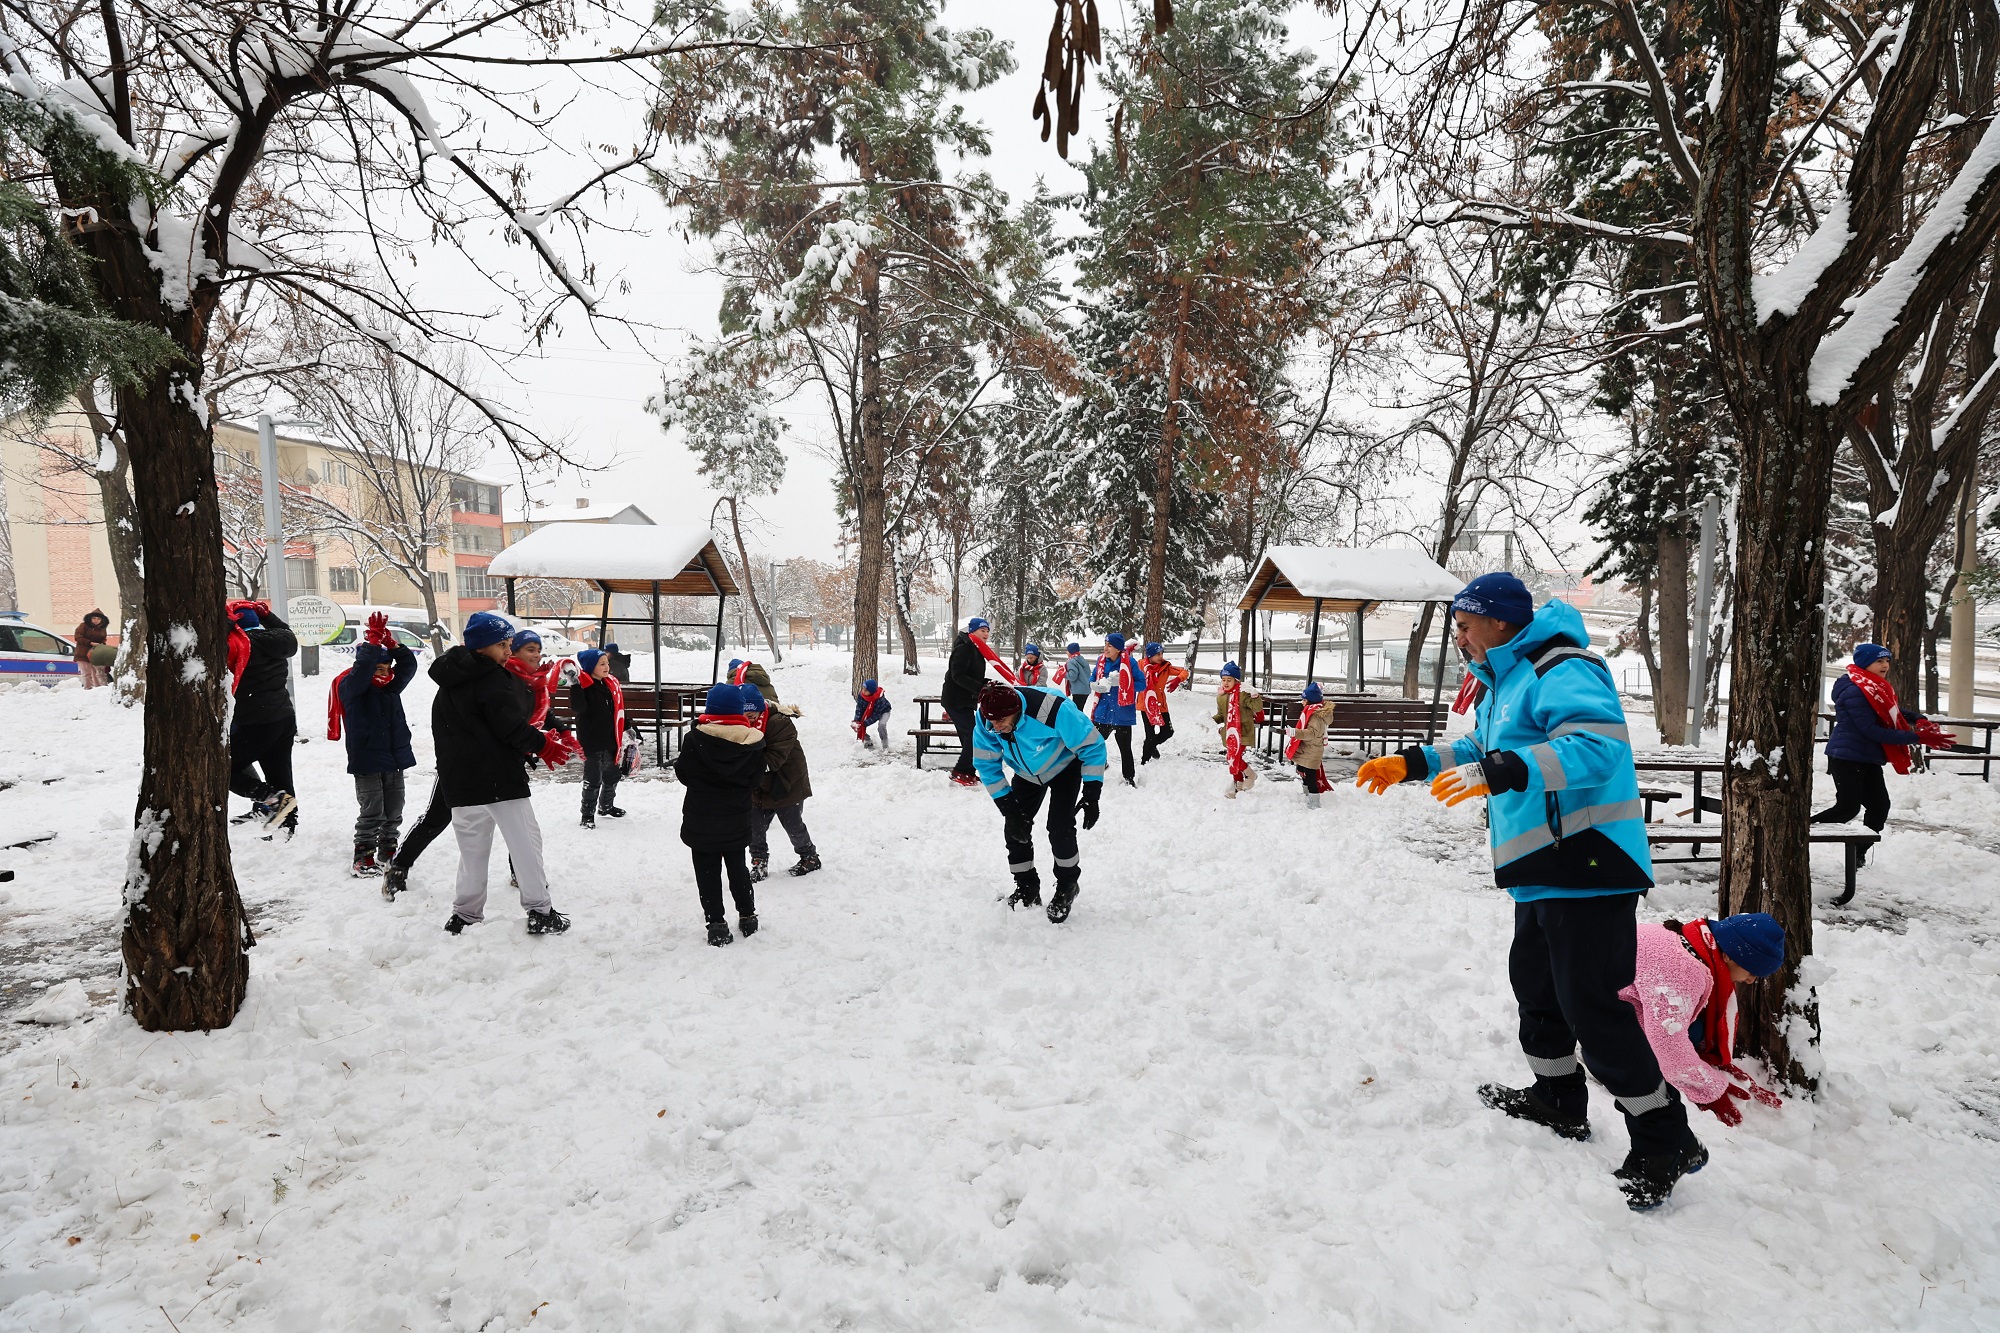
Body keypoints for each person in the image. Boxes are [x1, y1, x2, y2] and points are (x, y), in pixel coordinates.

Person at [1354, 571, 1701, 1211]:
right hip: (1543, 865)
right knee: (1537, 990)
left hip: (1590, 862)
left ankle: (1664, 1137)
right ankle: (1558, 1098)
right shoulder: (1505, 682)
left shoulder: (1563, 667)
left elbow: (1596, 749)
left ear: (1499, 621)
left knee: (1592, 1007)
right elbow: (1482, 747)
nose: (1460, 637)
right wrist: (1413, 762)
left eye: (1465, 625)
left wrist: (1503, 769)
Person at [432, 610, 580, 936]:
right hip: (499, 778)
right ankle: (540, 911)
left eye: (510, 644)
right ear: (481, 646)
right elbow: (509, 726)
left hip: (461, 781)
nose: (508, 651)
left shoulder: (449, 681)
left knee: (472, 851)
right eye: (502, 645)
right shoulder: (492, 678)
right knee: (526, 843)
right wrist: (543, 745)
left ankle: (465, 914)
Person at [1622, 913, 1788, 1126]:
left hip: (1603, 991)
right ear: (1729, 956)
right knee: (1679, 1038)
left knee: (1695, 1029)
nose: (1751, 980)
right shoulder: (1681, 971)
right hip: (1596, 1015)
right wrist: (1709, 1089)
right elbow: (1667, 1043)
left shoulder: (1686, 940)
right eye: (1752, 971)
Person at [971, 680, 1107, 923]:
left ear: (1016, 710)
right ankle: (1027, 887)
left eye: (1001, 721)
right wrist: (1008, 808)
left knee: (1060, 828)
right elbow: (986, 763)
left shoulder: (1053, 709)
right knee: (1015, 828)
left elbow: (1092, 746)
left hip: (1065, 767)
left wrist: (1092, 793)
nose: (996, 727)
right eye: (992, 721)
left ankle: (1067, 885)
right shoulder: (987, 719)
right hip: (1026, 774)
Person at [1812, 643, 1951, 854]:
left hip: (1867, 757)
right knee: (1847, 808)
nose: (1885, 665)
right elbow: (1871, 730)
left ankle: (1858, 854)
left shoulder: (1872, 686)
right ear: (1865, 663)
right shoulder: (1855, 690)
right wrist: (1917, 737)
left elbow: (1889, 710)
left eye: (1887, 660)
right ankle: (1798, 833)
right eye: (1879, 661)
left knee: (1879, 807)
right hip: (1847, 756)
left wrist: (1917, 718)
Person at [673, 681, 767, 946]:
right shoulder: (752, 742)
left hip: (701, 819)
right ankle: (748, 916)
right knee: (738, 868)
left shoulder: (695, 739)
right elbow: (756, 779)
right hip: (736, 818)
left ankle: (716, 924)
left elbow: (683, 773)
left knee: (707, 873)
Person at [329, 614, 418, 876]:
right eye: (378, 669)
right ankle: (363, 854)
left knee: (394, 808)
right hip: (367, 759)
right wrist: (372, 643)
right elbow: (361, 672)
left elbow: (408, 666)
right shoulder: (352, 687)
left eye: (387, 668)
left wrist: (392, 645)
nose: (384, 673)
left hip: (394, 757)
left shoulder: (391, 688)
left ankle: (388, 849)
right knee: (372, 810)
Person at [225, 599, 300, 831]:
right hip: (283, 718)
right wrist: (268, 616)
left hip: (254, 721)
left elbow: (214, 647)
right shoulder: (280, 640)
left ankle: (269, 798)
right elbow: (287, 633)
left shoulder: (240, 646)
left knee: (224, 769)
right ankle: (286, 826)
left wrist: (226, 623)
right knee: (280, 775)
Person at [746, 683, 820, 880]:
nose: (748, 716)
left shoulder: (779, 723)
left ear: (760, 708)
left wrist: (741, 765)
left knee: (793, 825)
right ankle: (759, 862)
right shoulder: (741, 725)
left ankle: (809, 857)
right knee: (754, 825)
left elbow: (773, 760)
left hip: (786, 782)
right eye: (744, 712)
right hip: (759, 784)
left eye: (752, 712)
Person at [570, 647, 627, 828]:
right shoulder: (584, 687)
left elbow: (618, 708)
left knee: (612, 775)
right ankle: (587, 815)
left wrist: (628, 727)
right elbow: (578, 707)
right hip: (592, 741)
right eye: (601, 664)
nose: (606, 667)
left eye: (607, 663)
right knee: (593, 779)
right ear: (590, 667)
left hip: (610, 739)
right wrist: (575, 685)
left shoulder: (609, 684)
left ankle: (606, 806)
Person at [941, 617, 999, 788]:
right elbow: (957, 675)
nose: (986, 634)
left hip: (965, 700)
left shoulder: (976, 648)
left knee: (968, 736)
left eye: (987, 631)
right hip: (955, 700)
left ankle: (968, 772)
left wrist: (988, 683)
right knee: (974, 735)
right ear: (972, 631)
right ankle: (960, 771)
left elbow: (973, 675)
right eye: (982, 630)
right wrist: (980, 689)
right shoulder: (964, 648)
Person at [1091, 632, 1140, 786]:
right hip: (1103, 712)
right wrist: (1095, 685)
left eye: (1109, 645)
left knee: (1125, 749)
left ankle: (1129, 778)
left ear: (1118, 648)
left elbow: (1142, 684)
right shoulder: (1100, 661)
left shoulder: (1130, 663)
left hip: (1122, 714)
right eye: (1105, 644)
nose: (1105, 648)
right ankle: (1099, 766)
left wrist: (1124, 683)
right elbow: (1092, 678)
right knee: (1093, 743)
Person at [1213, 661, 1262, 798]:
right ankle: (1238, 787)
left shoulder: (1243, 694)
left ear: (1236, 680)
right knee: (1232, 758)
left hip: (1243, 732)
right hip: (1230, 733)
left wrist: (1255, 696)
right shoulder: (1221, 696)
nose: (1225, 683)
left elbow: (1257, 708)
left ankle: (1250, 775)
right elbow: (1222, 715)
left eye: (1229, 680)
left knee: (1233, 757)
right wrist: (1210, 720)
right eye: (1223, 680)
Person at [1138, 641, 1189, 764]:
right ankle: (1144, 761)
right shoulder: (1141, 665)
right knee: (1150, 735)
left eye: (1161, 654)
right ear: (1150, 656)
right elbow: (1127, 666)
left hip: (1161, 705)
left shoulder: (1166, 667)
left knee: (1168, 732)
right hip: (1146, 706)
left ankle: (1151, 745)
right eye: (1157, 654)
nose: (1161, 657)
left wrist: (1177, 680)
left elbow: (1184, 672)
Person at [1287, 681, 1333, 808]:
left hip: (1313, 750)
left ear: (1311, 701)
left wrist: (1295, 732)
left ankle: (1314, 800)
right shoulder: (1311, 711)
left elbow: (1312, 733)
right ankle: (1306, 794)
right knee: (1301, 770)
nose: (1302, 702)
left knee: (1310, 775)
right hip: (1307, 749)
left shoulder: (1316, 716)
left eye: (1304, 700)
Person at [72, 610, 110, 689]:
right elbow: (78, 637)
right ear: (90, 618)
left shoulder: (102, 628)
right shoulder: (84, 626)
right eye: (94, 618)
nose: (96, 620)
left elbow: (103, 639)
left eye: (98, 619)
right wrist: (90, 643)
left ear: (102, 620)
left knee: (98, 673)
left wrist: (101, 645)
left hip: (95, 653)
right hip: (83, 653)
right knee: (87, 673)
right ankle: (88, 689)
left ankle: (99, 689)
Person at [853, 678, 892, 748]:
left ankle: (885, 743)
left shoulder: (879, 699)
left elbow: (876, 715)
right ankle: (867, 740)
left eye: (866, 690)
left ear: (871, 692)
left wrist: (865, 723)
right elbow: (859, 709)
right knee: (858, 725)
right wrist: (857, 720)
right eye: (863, 688)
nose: (863, 691)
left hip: (884, 711)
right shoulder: (861, 696)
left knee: (881, 725)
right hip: (870, 710)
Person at [1056, 642, 1092, 712]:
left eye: (1067, 650)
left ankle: (1079, 719)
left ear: (1071, 652)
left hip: (1078, 690)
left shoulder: (1071, 661)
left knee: (1076, 712)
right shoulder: (1082, 660)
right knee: (1079, 710)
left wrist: (1063, 673)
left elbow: (1072, 676)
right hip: (1086, 688)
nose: (1066, 652)